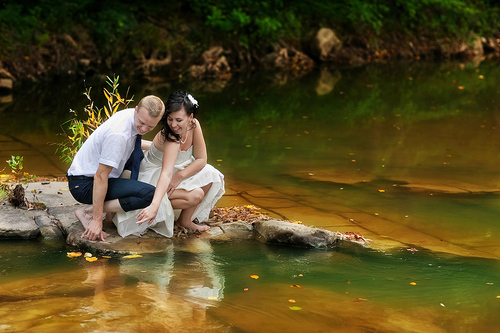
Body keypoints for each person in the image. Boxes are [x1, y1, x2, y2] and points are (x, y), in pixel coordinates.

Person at [113, 91, 225, 237]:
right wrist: (157, 201)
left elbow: (201, 159)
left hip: (178, 170)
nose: (173, 124)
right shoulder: (171, 134)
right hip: (155, 174)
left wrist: (179, 176)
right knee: (195, 195)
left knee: (210, 173)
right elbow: (166, 173)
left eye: (179, 120)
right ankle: (150, 205)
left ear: (190, 117)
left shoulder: (194, 125)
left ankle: (184, 220)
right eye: (170, 119)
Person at [67, 95, 165, 241]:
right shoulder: (119, 135)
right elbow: (100, 176)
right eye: (142, 123)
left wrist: (161, 148)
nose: (144, 129)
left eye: (150, 126)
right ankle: (87, 211)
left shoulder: (131, 115)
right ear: (137, 110)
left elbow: (134, 142)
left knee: (138, 156)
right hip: (84, 185)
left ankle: (110, 214)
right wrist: (96, 219)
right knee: (149, 194)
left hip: (86, 176)